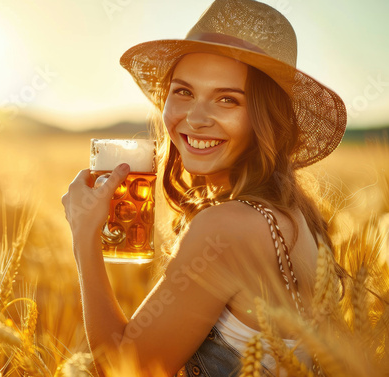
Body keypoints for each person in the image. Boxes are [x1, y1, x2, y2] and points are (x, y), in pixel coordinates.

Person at [61, 0, 346, 376]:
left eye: (228, 99)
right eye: (183, 92)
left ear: (266, 116)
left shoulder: (227, 226)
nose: (195, 119)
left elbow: (122, 370)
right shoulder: (293, 212)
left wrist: (84, 237)